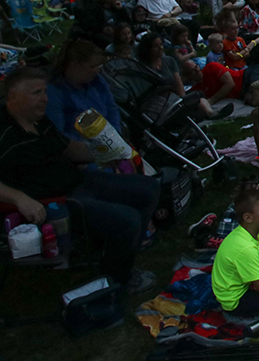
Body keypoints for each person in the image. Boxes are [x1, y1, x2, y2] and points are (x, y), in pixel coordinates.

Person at [0, 67, 161, 293]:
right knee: (128, 219)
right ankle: (117, 281)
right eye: (36, 93)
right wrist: (19, 198)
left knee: (148, 188)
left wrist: (105, 154)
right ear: (13, 96)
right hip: (54, 203)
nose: (45, 99)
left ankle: (122, 255)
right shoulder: (4, 133)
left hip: (78, 180)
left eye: (44, 91)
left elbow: (69, 148)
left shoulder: (38, 121)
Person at [212, 187, 259, 318]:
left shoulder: (252, 232)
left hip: (242, 287)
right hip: (235, 301)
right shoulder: (246, 248)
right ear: (248, 218)